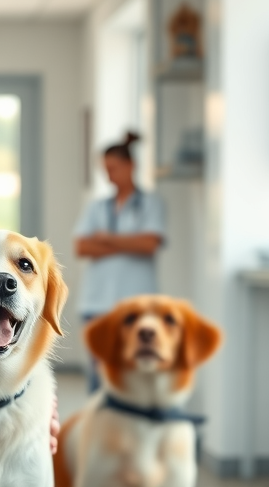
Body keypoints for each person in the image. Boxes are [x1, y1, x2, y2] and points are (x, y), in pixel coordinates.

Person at [73, 131, 166, 393]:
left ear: (131, 166)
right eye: (105, 170)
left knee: (135, 375)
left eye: (113, 168)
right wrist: (128, 243)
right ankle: (99, 431)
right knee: (99, 377)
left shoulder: (150, 204)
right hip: (97, 302)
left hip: (138, 304)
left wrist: (107, 239)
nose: (109, 175)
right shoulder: (97, 207)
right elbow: (82, 247)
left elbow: (149, 245)